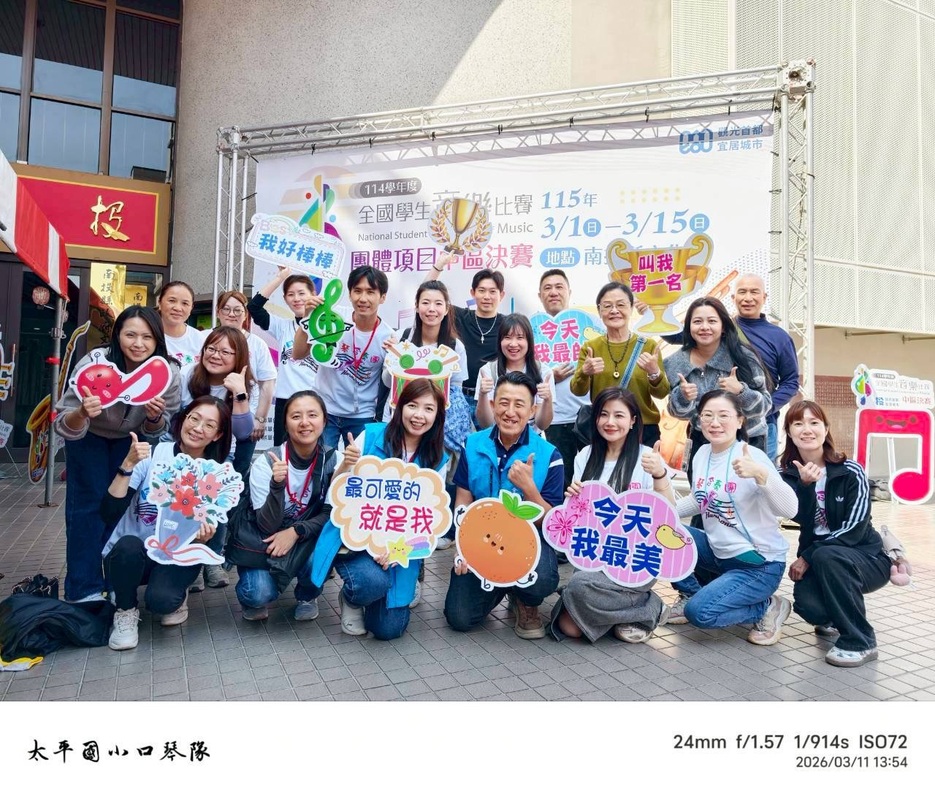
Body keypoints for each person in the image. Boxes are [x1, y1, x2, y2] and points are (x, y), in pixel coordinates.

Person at [54, 306, 181, 603]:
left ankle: (115, 584)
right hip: (88, 437)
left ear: (157, 339)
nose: (138, 344)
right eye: (130, 335)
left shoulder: (168, 373)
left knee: (120, 510)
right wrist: (82, 412)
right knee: (86, 509)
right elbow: (63, 423)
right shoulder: (94, 364)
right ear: (117, 335)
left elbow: (159, 429)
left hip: (130, 441)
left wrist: (154, 417)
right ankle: (83, 589)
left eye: (147, 337)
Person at [306, 379, 449, 639]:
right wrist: (346, 465)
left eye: (429, 409)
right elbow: (335, 493)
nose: (419, 415)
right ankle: (352, 598)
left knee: (388, 629)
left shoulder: (438, 458)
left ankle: (379, 596)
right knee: (371, 582)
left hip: (399, 549)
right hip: (357, 541)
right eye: (412, 406)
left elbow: (430, 526)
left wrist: (398, 550)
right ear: (399, 407)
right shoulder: (371, 436)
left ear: (437, 416)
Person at [666, 390, 798, 647]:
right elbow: (701, 499)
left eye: (723, 416)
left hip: (759, 564)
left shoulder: (752, 456)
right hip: (719, 553)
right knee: (663, 531)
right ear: (699, 420)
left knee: (700, 614)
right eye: (707, 415)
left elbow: (790, 510)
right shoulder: (702, 453)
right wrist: (661, 512)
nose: (715, 422)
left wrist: (761, 476)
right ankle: (691, 593)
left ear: (739, 421)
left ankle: (768, 606)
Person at [102, 397, 232, 649]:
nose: (198, 428)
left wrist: (203, 538)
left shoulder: (216, 474)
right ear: (183, 419)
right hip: (134, 552)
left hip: (175, 555)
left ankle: (175, 592)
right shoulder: (152, 455)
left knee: (162, 602)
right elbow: (108, 512)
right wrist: (127, 464)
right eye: (194, 418)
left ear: (217, 435)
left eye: (209, 425)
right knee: (128, 546)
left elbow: (207, 534)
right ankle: (125, 611)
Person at [444, 372, 565, 639]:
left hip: (528, 543)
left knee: (542, 580)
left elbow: (552, 523)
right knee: (459, 617)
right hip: (482, 541)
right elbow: (463, 498)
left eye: (519, 404)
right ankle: (500, 585)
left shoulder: (549, 454)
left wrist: (529, 488)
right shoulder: (472, 444)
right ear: (492, 405)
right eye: (503, 402)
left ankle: (524, 599)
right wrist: (463, 548)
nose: (510, 412)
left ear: (532, 410)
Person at [780, 400, 900, 667]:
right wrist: (806, 487)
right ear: (789, 432)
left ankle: (861, 641)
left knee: (829, 555)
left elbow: (856, 528)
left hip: (866, 558)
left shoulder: (850, 471)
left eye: (814, 423)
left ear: (825, 429)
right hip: (821, 560)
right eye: (798, 423)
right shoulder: (786, 476)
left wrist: (808, 555)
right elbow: (798, 518)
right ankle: (837, 614)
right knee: (809, 607)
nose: (807, 429)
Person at [551, 388, 675, 644]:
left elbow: (669, 515)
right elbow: (576, 519)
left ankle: (644, 606)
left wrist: (659, 475)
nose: (610, 422)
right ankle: (642, 610)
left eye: (619, 415)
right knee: (569, 628)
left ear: (633, 421)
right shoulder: (585, 456)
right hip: (594, 555)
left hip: (635, 557)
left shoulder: (647, 458)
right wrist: (572, 498)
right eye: (603, 414)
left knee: (578, 588)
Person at [381, 280, 471, 556]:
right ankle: (390, 538)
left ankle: (422, 544)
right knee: (397, 482)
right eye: (426, 303)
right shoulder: (403, 339)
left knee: (430, 485)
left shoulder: (455, 346)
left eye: (438, 303)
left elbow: (455, 389)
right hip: (400, 424)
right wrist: (393, 358)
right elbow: (387, 382)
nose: (431, 309)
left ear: (446, 309)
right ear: (417, 307)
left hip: (436, 428)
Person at [232, 390, 337, 622]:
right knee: (257, 593)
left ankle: (307, 596)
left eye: (312, 415)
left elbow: (333, 515)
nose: (305, 422)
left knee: (321, 553)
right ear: (286, 423)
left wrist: (296, 531)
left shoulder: (334, 460)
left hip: (305, 536)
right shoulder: (267, 462)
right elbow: (266, 524)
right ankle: (258, 591)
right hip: (266, 540)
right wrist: (277, 485)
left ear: (324, 421)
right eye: (296, 416)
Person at [179, 326, 259, 587]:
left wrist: (239, 393)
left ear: (239, 357)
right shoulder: (187, 374)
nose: (215, 355)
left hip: (223, 452)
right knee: (186, 502)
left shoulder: (247, 385)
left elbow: (243, 432)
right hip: (186, 449)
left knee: (218, 496)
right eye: (211, 349)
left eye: (225, 352)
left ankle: (213, 558)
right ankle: (189, 561)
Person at [664, 296, 772, 472]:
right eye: (697, 321)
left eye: (712, 321)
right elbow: (678, 413)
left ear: (723, 327)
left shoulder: (743, 357)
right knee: (702, 489)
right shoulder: (675, 362)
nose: (704, 327)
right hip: (703, 442)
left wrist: (741, 392)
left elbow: (764, 406)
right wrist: (683, 398)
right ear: (688, 327)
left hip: (747, 442)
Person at [293, 265, 394, 449]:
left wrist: (395, 358)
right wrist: (308, 317)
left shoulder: (388, 337)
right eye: (357, 291)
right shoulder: (333, 317)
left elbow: (388, 382)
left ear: (383, 297)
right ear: (349, 294)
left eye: (370, 292)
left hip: (362, 415)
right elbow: (298, 354)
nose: (363, 298)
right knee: (322, 463)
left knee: (358, 465)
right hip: (325, 409)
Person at [571, 282, 669, 446]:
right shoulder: (591, 347)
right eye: (607, 306)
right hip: (606, 429)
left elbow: (662, 393)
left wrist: (654, 373)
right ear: (599, 310)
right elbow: (577, 390)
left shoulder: (649, 346)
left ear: (631, 308)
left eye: (621, 305)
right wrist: (585, 372)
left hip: (642, 429)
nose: (614, 310)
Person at [247, 267, 323, 446]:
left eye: (301, 293)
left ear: (313, 294)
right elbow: (254, 307)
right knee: (282, 453)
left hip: (316, 401)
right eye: (290, 294)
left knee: (316, 452)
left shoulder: (326, 326)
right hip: (285, 401)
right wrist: (280, 277)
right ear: (285, 299)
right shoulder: (282, 326)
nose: (296, 299)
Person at [428, 253, 505, 423]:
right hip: (457, 396)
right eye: (481, 291)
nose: (487, 297)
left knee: (488, 439)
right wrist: (439, 266)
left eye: (493, 291)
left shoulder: (507, 325)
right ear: (472, 293)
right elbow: (427, 295)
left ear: (502, 295)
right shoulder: (459, 316)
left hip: (491, 398)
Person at [732, 274, 800, 461]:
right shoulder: (720, 330)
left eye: (754, 292)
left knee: (761, 477)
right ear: (733, 297)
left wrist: (764, 408)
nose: (748, 298)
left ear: (764, 297)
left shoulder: (779, 337)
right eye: (742, 292)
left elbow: (791, 382)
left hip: (763, 425)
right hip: (720, 422)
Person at [538, 269, 588, 489]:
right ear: (540, 295)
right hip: (554, 419)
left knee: (591, 477)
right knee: (562, 480)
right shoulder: (532, 330)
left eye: (559, 287)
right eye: (547, 288)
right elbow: (527, 376)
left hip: (587, 414)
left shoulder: (587, 325)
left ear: (569, 292)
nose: (553, 292)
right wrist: (551, 378)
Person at [211, 290, 278, 445]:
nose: (231, 314)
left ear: (245, 314)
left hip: (247, 419)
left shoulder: (257, 344)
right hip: (210, 419)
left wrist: (260, 419)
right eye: (226, 309)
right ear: (218, 312)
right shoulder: (205, 338)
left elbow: (267, 383)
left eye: (237, 310)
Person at [475, 313, 554, 433]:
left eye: (520, 337)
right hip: (497, 438)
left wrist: (547, 399)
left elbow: (542, 425)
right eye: (507, 337)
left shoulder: (543, 372)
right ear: (500, 341)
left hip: (530, 439)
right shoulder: (487, 371)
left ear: (529, 341)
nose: (513, 344)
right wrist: (482, 394)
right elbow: (485, 423)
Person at [157, 281, 203, 366]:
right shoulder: (148, 336)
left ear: (191, 307)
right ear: (159, 303)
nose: (178, 308)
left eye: (185, 303)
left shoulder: (200, 340)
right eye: (172, 301)